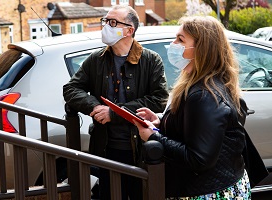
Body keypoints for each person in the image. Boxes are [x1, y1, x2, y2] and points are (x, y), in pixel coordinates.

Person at [133, 16, 251, 199]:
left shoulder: (204, 95)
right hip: (217, 185)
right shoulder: (207, 82)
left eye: (181, 39)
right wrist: (161, 121)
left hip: (208, 191)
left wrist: (153, 136)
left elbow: (198, 158)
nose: (173, 44)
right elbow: (195, 128)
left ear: (201, 49)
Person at [63, 4, 169, 200]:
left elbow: (159, 99)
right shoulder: (96, 59)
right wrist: (94, 106)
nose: (106, 27)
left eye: (113, 22)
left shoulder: (150, 60)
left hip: (140, 150)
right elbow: (71, 88)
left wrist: (115, 113)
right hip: (106, 149)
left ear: (129, 30)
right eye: (106, 21)